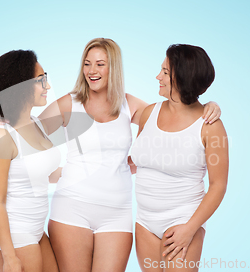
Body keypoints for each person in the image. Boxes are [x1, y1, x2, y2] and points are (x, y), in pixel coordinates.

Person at [38, 38, 222, 272]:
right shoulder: (68, 104)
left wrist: (210, 105)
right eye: (87, 64)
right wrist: (53, 174)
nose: (92, 71)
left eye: (100, 64)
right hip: (72, 207)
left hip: (117, 214)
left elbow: (174, 119)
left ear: (113, 67)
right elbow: (25, 140)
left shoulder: (131, 106)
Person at [130, 44, 229, 272]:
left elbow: (218, 186)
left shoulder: (210, 127)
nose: (158, 76)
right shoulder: (148, 113)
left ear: (183, 78)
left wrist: (189, 229)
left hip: (183, 221)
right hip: (145, 222)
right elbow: (146, 159)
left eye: (165, 72)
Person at [0, 50, 60, 272]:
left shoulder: (36, 124)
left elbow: (45, 173)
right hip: (12, 234)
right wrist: (9, 257)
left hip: (36, 229)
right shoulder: (0, 136)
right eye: (41, 81)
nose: (47, 87)